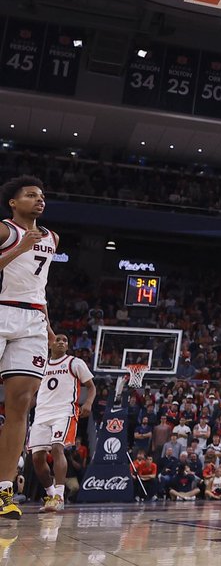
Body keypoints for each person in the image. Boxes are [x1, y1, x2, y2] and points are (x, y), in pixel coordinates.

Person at [0, 175, 58, 519]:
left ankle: (3, 490)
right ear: (13, 202)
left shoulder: (51, 237)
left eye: (42, 195)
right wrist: (19, 249)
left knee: (20, 404)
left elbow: (41, 284)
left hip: (33, 318)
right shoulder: (5, 231)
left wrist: (49, 328)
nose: (40, 200)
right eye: (31, 195)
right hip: (1, 308)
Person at [29, 334, 95, 511]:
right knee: (37, 458)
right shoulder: (41, 365)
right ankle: (50, 495)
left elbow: (92, 386)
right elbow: (35, 391)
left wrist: (88, 402)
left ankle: (59, 496)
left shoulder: (75, 362)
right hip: (41, 413)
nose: (61, 342)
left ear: (67, 346)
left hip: (63, 411)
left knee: (57, 447)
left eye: (65, 340)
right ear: (51, 344)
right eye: (58, 340)